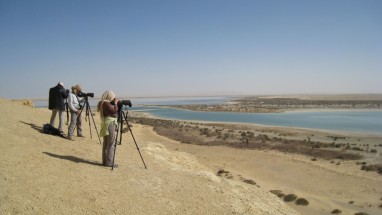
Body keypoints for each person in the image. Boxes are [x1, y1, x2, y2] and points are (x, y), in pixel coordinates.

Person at [97, 90, 119, 167]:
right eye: (112, 97)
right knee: (111, 144)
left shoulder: (101, 102)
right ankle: (109, 162)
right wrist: (116, 103)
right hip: (110, 124)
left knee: (106, 143)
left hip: (105, 123)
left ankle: (104, 161)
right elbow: (114, 111)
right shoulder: (106, 103)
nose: (113, 99)